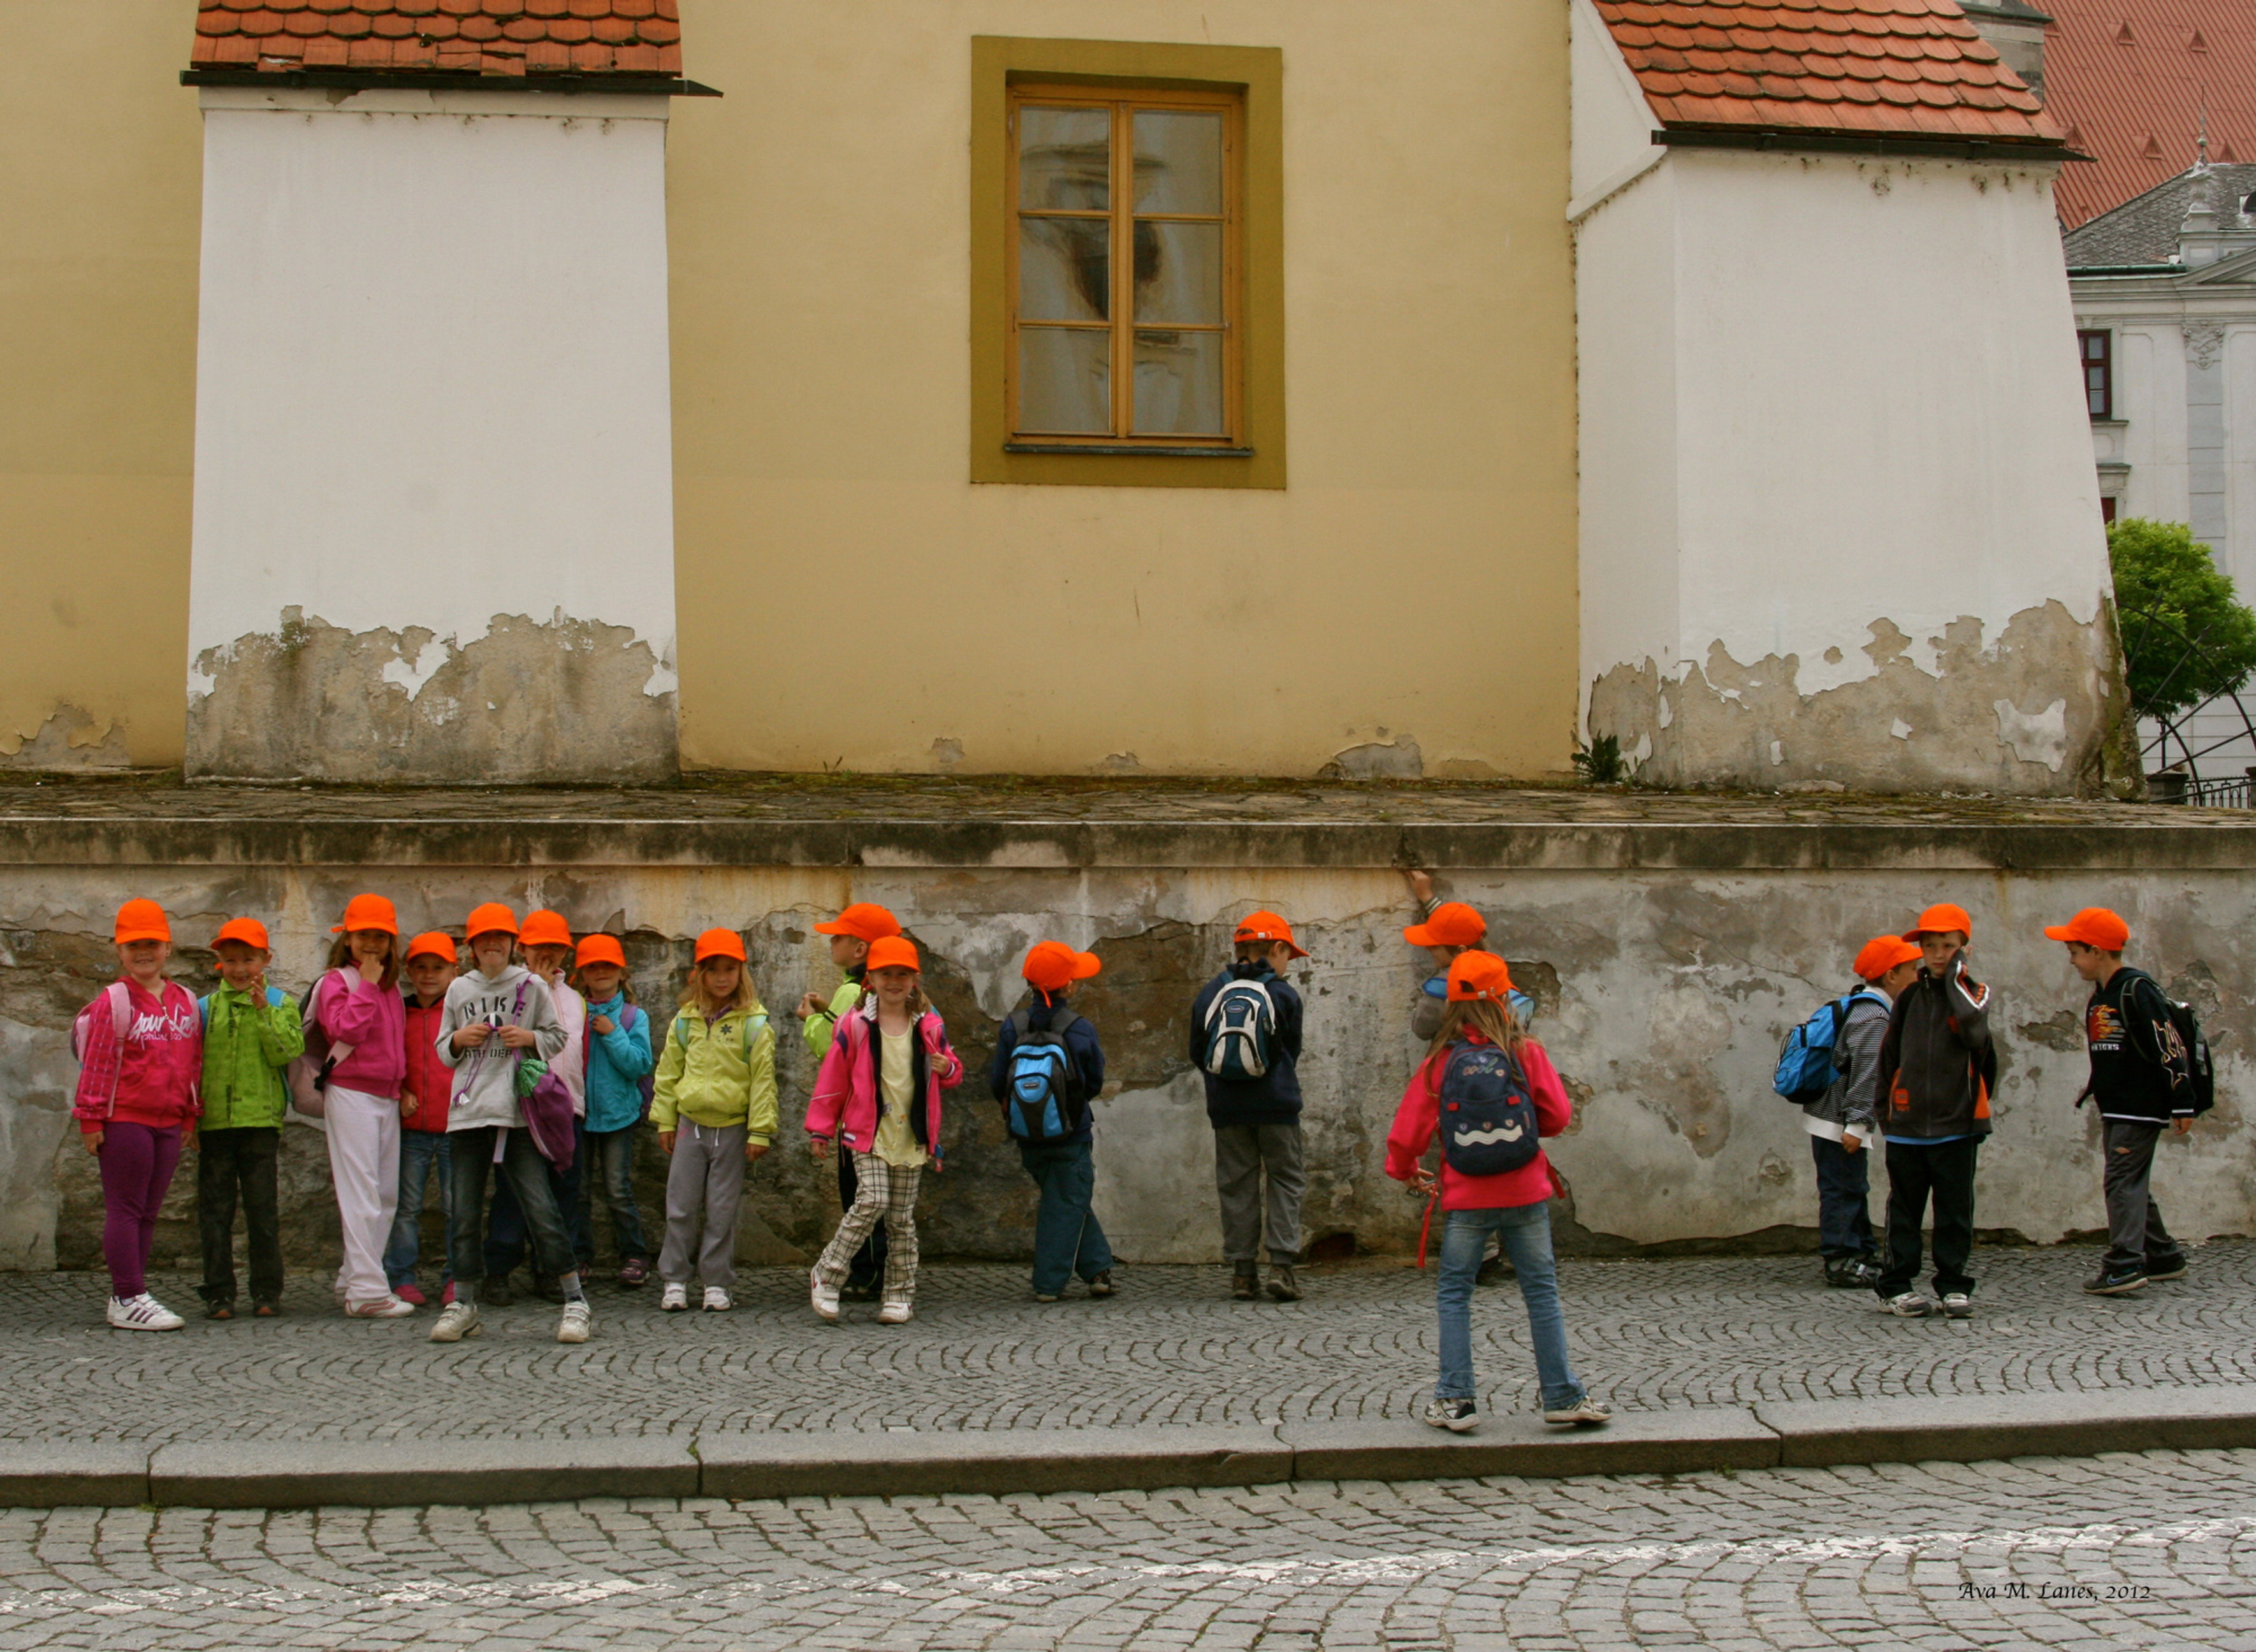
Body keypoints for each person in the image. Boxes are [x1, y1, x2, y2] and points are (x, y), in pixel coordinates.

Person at [1384, 951, 1610, 1433]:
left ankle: (1455, 1399)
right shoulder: (1524, 1051)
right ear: (1502, 999)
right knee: (1541, 1293)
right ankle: (1562, 1396)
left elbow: (1408, 1132)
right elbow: (1558, 1117)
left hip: (1466, 1198)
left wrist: (1403, 1170)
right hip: (1525, 1192)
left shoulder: (1441, 1062)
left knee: (1454, 1294)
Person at [426, 902, 588, 1345]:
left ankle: (575, 1300)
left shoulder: (531, 985)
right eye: (483, 940)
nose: (492, 945)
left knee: (540, 1206)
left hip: (518, 1114)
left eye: (500, 938)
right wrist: (460, 1039)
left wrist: (530, 1038)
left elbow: (557, 1036)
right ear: (472, 948)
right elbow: (443, 1048)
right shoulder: (459, 989)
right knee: (462, 1212)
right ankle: (462, 1302)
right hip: (468, 1112)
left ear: (513, 944)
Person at [806, 935, 963, 1326]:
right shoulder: (855, 1024)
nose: (894, 981)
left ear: (914, 980)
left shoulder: (929, 1024)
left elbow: (952, 1069)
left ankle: (899, 1293)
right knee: (872, 1200)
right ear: (871, 978)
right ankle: (828, 1274)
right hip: (867, 1131)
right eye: (886, 973)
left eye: (903, 974)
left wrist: (948, 1069)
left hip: (911, 1135)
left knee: (900, 1218)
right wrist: (821, 1130)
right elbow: (834, 1078)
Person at [2043, 907, 2199, 1296]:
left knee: (2121, 1180)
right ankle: (2163, 1256)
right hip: (2118, 1104)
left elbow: (2168, 1044)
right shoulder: (2106, 992)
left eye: (2075, 951)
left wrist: (2182, 1102)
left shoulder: (2136, 989)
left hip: (2140, 1105)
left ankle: (2125, 1266)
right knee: (2130, 1180)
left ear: (2097, 951)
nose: (2072, 960)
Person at [73, 899, 203, 1331]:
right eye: (133, 945)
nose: (143, 952)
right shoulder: (115, 1001)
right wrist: (90, 1119)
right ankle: (128, 1295)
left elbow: (192, 1063)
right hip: (125, 1118)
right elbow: (97, 1063)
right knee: (125, 1208)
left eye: (151, 943)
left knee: (148, 1211)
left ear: (168, 947)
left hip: (169, 1122)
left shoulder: (185, 1000)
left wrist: (189, 1116)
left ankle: (130, 1293)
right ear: (119, 951)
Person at [1873, 902, 1995, 1321]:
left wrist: (1956, 981)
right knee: (1904, 1209)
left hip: (1956, 1125)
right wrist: (1884, 1112)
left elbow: (1978, 1039)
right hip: (1907, 1123)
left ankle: (1953, 1284)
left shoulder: (1975, 993)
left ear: (1964, 948)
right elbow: (1888, 1058)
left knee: (1954, 1210)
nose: (1938, 954)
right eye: (1930, 946)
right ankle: (1896, 1284)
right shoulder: (1907, 997)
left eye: (1948, 945)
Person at [651, 929, 778, 1312]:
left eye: (730, 969)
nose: (723, 978)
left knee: (722, 1208)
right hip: (691, 1124)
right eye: (714, 970)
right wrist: (666, 1121)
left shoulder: (755, 1025)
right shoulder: (685, 1022)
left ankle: (716, 1282)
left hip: (734, 1126)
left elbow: (763, 1081)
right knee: (681, 1205)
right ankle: (675, 1278)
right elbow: (668, 1073)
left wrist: (760, 1130)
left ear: (742, 972)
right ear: (700, 975)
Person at [1190, 910, 1309, 1302]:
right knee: (1285, 1180)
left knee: (1236, 1184)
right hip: (1277, 1105)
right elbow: (1291, 1050)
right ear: (1276, 947)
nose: (1286, 963)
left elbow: (1198, 1052)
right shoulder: (1284, 994)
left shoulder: (1211, 993)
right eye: (1287, 955)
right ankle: (1281, 1268)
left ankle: (1243, 1274)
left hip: (1227, 1109)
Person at [988, 940, 1114, 1302]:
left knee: (1066, 1197)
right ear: (1069, 986)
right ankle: (1048, 1283)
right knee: (1066, 1200)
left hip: (1027, 1133)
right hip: (1072, 1133)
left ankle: (1098, 1269)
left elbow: (998, 1082)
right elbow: (1094, 1081)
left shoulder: (1013, 1027)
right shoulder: (1079, 1028)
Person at [194, 917, 303, 1320]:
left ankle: (267, 1291)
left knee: (263, 1211)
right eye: (231, 960)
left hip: (260, 1122)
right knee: (215, 1211)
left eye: (249, 960)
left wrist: (262, 1012)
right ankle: (219, 1292)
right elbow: (192, 1066)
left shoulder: (280, 1003)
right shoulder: (204, 1009)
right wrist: (192, 1119)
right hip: (215, 1124)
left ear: (266, 960)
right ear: (220, 962)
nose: (240, 970)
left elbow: (287, 1051)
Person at [311, 894, 414, 1319]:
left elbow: (396, 1045)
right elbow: (344, 1029)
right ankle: (368, 1290)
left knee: (385, 1194)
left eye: (380, 936)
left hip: (385, 1095)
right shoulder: (337, 982)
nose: (372, 943)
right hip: (351, 1093)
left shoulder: (389, 989)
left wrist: (403, 1086)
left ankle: (355, 1276)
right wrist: (367, 986)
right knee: (361, 1193)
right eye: (364, 935)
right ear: (347, 939)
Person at [1804, 935, 1921, 1289]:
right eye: (1912, 970)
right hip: (1840, 1120)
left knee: (1852, 1185)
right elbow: (1868, 1075)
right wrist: (1857, 1124)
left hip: (1835, 1117)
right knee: (1842, 1188)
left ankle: (1863, 1253)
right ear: (1890, 976)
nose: (1917, 976)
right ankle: (1841, 1260)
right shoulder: (1874, 1017)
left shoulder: (1863, 1006)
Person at [796, 901, 901, 1301]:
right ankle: (881, 1269)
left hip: (856, 1115)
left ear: (861, 950)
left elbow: (832, 1050)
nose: (831, 942)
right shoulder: (877, 992)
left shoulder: (850, 990)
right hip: (888, 1113)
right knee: (885, 1199)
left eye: (838, 936)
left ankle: (865, 1273)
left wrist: (810, 1020)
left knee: (858, 1195)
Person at [483, 909, 587, 1300]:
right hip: (520, 1108)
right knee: (512, 1192)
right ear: (522, 949)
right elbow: (502, 1036)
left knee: (564, 1191)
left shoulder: (575, 997)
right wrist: (536, 989)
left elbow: (578, 1051)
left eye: (556, 948)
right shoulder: (508, 987)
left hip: (565, 1106)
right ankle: (499, 1269)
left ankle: (553, 1269)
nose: (549, 954)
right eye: (540, 946)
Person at [574, 933, 656, 1288]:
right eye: (593, 967)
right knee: (577, 1191)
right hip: (578, 1114)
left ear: (621, 973)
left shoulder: (632, 1016)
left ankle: (635, 1254)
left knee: (617, 1189)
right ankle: (579, 1256)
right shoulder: (572, 1011)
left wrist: (611, 1034)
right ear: (582, 975)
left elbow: (638, 1065)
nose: (601, 972)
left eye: (608, 966)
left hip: (618, 1116)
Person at [385, 931, 460, 1307]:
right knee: (406, 1207)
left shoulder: (461, 1013)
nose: (429, 975)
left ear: (454, 970)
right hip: (411, 1128)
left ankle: (456, 1278)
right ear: (409, 971)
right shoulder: (399, 1011)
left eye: (438, 967)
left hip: (454, 1127)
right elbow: (388, 1059)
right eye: (421, 967)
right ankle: (399, 1275)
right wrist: (400, 1092)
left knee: (456, 1206)